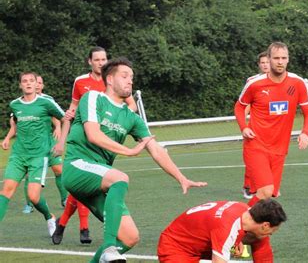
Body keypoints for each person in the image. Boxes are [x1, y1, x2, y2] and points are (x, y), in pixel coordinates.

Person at [57, 57, 207, 262]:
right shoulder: (93, 98)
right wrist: (128, 151)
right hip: (77, 167)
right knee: (120, 178)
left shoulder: (132, 118)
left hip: (99, 178)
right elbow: (93, 134)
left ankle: (108, 252)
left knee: (130, 237)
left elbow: (155, 149)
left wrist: (180, 177)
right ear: (109, 79)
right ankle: (109, 247)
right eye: (124, 76)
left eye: (132, 78)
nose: (130, 81)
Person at [52, 46, 138, 245]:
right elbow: (71, 111)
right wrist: (62, 141)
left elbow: (130, 105)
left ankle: (64, 224)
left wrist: (118, 118)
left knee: (83, 190)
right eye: (97, 59)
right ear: (89, 62)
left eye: (104, 59)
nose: (101, 62)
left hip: (104, 147)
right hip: (85, 143)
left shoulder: (118, 80)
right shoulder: (81, 82)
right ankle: (82, 229)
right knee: (82, 187)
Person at [234, 42, 308, 207]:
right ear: (268, 60)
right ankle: (239, 221)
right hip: (256, 145)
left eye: (283, 58)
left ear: (288, 60)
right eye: (276, 58)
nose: (280, 61)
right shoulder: (255, 84)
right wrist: (244, 127)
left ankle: (246, 224)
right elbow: (239, 106)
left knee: (269, 196)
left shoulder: (298, 83)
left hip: (279, 149)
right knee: (266, 191)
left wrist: (305, 132)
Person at [0, 72, 66, 237]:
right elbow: (15, 123)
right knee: (6, 190)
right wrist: (8, 138)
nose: (28, 83)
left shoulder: (46, 102)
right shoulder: (15, 104)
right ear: (20, 85)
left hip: (39, 156)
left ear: (38, 84)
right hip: (18, 155)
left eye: (32, 81)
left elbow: (66, 119)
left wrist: (61, 141)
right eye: (24, 81)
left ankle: (49, 217)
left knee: (33, 197)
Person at [157, 199, 286, 263]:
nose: (270, 234)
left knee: (259, 238)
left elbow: (264, 255)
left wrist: (237, 239)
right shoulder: (226, 228)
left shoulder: (246, 211)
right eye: (271, 231)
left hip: (200, 243)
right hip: (175, 247)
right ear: (265, 225)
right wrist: (234, 239)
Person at [242, 51, 270, 200]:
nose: (265, 65)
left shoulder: (280, 80)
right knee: (253, 158)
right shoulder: (252, 81)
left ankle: (267, 186)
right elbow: (245, 104)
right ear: (259, 65)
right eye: (262, 62)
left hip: (272, 129)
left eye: (267, 62)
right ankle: (248, 186)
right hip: (255, 127)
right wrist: (244, 125)